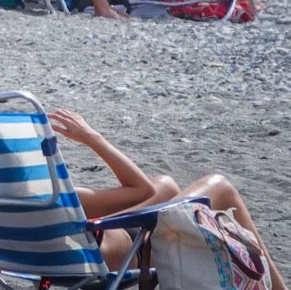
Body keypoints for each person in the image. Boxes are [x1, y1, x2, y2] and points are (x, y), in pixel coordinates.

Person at [44, 109, 286, 290]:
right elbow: (141, 189)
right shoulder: (57, 195)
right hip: (139, 250)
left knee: (167, 185)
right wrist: (92, 137)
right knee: (220, 186)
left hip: (68, 259)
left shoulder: (10, 209)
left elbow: (148, 191)